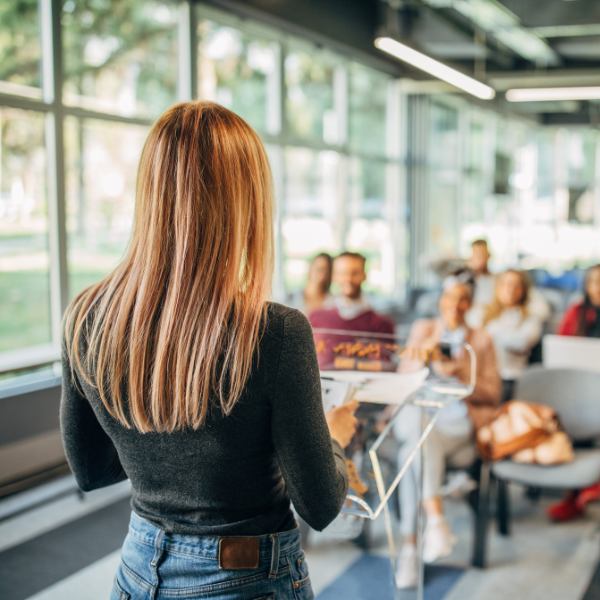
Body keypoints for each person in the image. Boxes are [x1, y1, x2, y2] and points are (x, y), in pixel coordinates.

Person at [60, 101, 358, 600]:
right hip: (246, 579)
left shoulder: (86, 316)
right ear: (247, 202)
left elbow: (92, 470)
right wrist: (334, 436)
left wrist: (165, 455)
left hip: (138, 568)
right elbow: (322, 505)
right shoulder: (275, 332)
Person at [394, 272, 501, 589]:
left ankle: (411, 548)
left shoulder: (482, 339)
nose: (454, 305)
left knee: (409, 454)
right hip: (417, 411)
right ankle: (436, 519)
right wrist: (423, 354)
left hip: (454, 419)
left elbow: (492, 393)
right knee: (417, 427)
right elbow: (402, 376)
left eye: (462, 299)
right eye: (448, 297)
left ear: (470, 303)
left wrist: (460, 373)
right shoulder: (424, 329)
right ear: (440, 300)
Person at [547, 264, 600, 522]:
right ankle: (575, 494)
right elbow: (561, 350)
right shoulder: (576, 313)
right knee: (570, 414)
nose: (598, 287)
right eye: (594, 282)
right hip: (580, 389)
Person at [309, 252, 395, 370]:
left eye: (354, 273)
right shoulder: (315, 318)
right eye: (342, 273)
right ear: (334, 276)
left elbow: (385, 366)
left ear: (364, 275)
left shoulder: (382, 324)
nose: (348, 279)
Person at [482, 270, 543, 403]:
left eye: (516, 285)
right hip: (484, 375)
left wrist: (492, 332)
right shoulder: (485, 314)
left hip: (513, 377)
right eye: (506, 284)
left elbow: (522, 341)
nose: (510, 290)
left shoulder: (530, 316)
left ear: (524, 290)